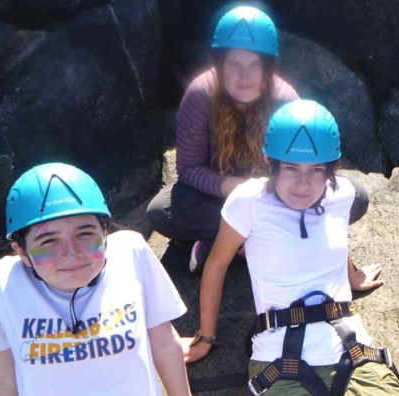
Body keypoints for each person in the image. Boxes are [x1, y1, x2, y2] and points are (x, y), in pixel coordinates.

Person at [192, 100, 399, 396]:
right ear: (271, 164)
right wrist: (205, 337)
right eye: (291, 168)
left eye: (316, 170)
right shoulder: (248, 202)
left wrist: (353, 276)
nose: (303, 183)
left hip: (353, 351)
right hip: (281, 361)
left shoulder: (340, 193)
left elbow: (335, 238)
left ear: (330, 169)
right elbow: (217, 263)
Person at [0, 163, 228, 396]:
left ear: (105, 230)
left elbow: (164, 341)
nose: (71, 253)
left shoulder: (131, 253)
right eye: (48, 241)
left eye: (85, 234)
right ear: (21, 252)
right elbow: (4, 380)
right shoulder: (5, 283)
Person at [146, 5, 379, 290]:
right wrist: (229, 186)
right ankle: (267, 241)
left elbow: (309, 170)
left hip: (275, 194)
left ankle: (224, 246)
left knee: (355, 197)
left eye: (255, 65)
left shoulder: (285, 101)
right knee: (161, 211)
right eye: (234, 64)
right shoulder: (200, 96)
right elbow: (188, 169)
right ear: (219, 64)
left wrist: (349, 272)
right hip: (221, 197)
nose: (244, 77)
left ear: (268, 67)